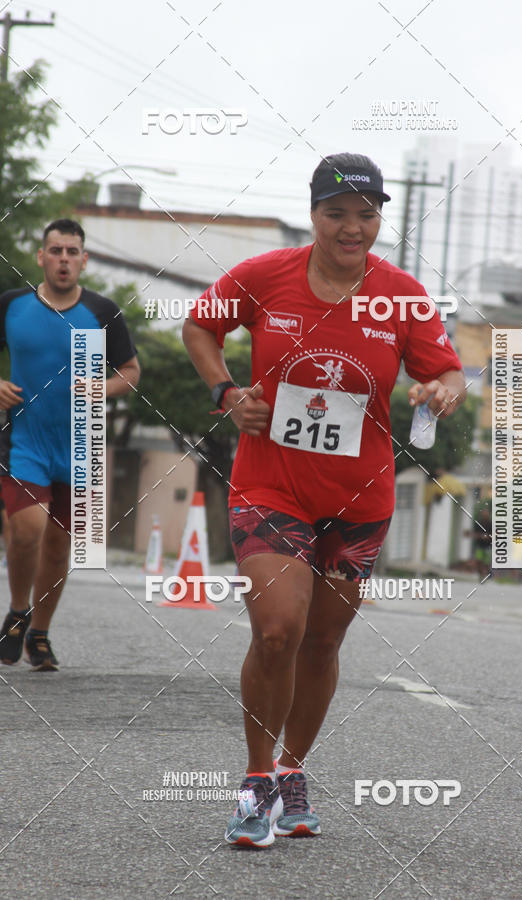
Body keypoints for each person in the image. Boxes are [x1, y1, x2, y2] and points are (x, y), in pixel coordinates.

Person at [182, 152, 467, 847]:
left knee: (322, 641)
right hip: (270, 484)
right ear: (313, 214)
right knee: (277, 628)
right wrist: (226, 392)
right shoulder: (264, 276)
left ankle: (293, 771)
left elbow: (448, 369)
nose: (351, 227)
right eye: (336, 212)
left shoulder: (402, 295)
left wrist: (443, 390)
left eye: (365, 214)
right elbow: (200, 325)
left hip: (358, 498)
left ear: (378, 220)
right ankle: (255, 783)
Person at [0, 218, 140, 671]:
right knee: (26, 531)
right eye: (55, 250)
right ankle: (18, 611)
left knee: (59, 545)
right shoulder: (12, 306)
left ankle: (39, 633)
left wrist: (101, 388)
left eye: (72, 252)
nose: (63, 259)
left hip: (81, 445)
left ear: (84, 259)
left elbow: (131, 373)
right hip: (26, 439)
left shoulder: (103, 312)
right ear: (41, 257)